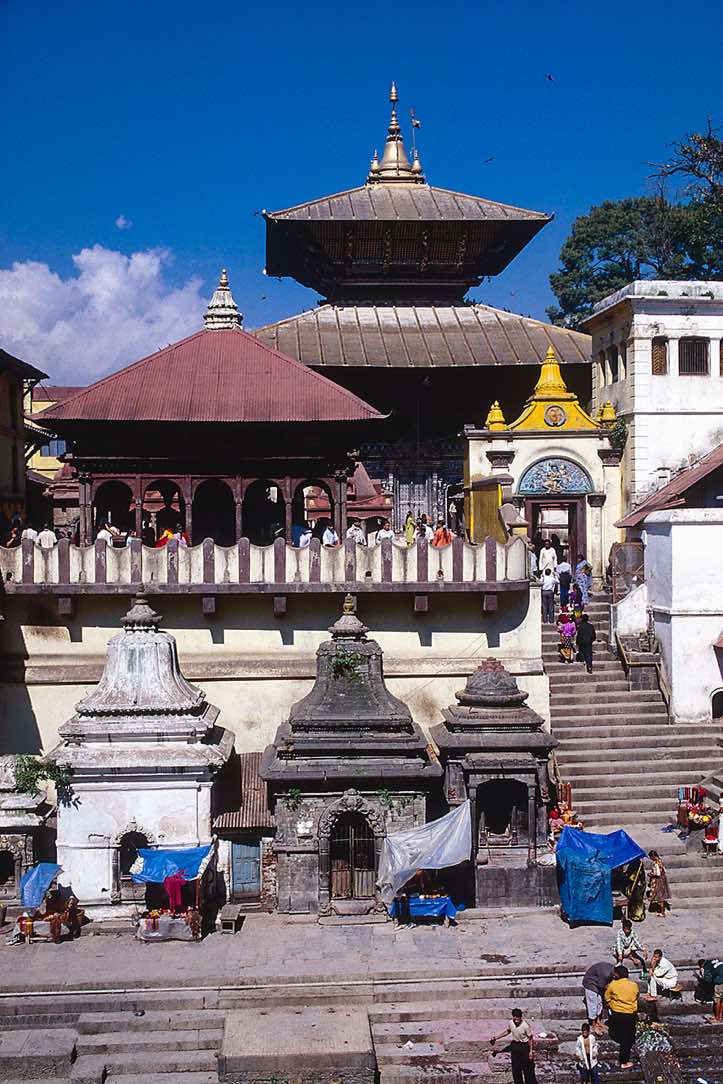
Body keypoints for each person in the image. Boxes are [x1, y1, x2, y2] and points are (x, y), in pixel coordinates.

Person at [490, 1007, 537, 1084]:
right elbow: (508, 1031)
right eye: (515, 1016)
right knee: (516, 1069)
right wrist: (496, 1037)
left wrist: (531, 1051)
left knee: (527, 1070)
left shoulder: (525, 1026)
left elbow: (530, 1039)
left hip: (524, 1047)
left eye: (518, 1017)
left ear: (521, 1017)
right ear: (513, 1016)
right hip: (515, 1046)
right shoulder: (511, 1023)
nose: (516, 1019)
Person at [604, 964, 639, 1069]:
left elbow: (607, 997)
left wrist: (612, 1004)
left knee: (623, 1036)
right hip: (629, 1013)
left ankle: (623, 1060)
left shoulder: (613, 985)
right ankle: (624, 1061)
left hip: (617, 1013)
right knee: (627, 1038)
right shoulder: (634, 985)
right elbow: (636, 995)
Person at [582, 961, 614, 1036]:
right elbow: (603, 986)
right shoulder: (606, 974)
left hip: (598, 982)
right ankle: (593, 1024)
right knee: (593, 1004)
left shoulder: (612, 970)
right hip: (590, 983)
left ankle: (598, 1021)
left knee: (599, 1002)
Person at [647, 851, 671, 916]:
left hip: (657, 881)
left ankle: (662, 912)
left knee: (659, 897)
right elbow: (664, 870)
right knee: (661, 897)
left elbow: (657, 873)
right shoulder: (660, 861)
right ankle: (661, 911)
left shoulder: (656, 864)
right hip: (662, 880)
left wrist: (650, 874)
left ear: (653, 857)